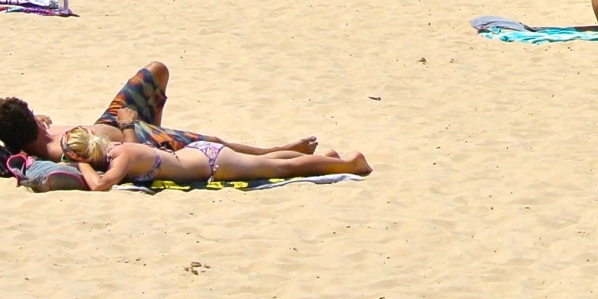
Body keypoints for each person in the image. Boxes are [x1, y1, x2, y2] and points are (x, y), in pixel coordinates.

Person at [0, 62, 322, 164]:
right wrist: (131, 127)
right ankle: (274, 152)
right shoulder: (59, 151)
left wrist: (42, 120)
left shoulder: (38, 134)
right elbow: (128, 158)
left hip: (111, 120)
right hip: (134, 135)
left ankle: (157, 123)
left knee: (156, 70)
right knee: (214, 143)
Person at [61, 123, 369, 188]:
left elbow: (101, 186)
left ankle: (349, 164)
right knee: (273, 162)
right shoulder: (118, 150)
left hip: (212, 163)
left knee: (280, 168)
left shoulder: (121, 157)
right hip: (199, 158)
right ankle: (328, 157)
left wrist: (82, 166)